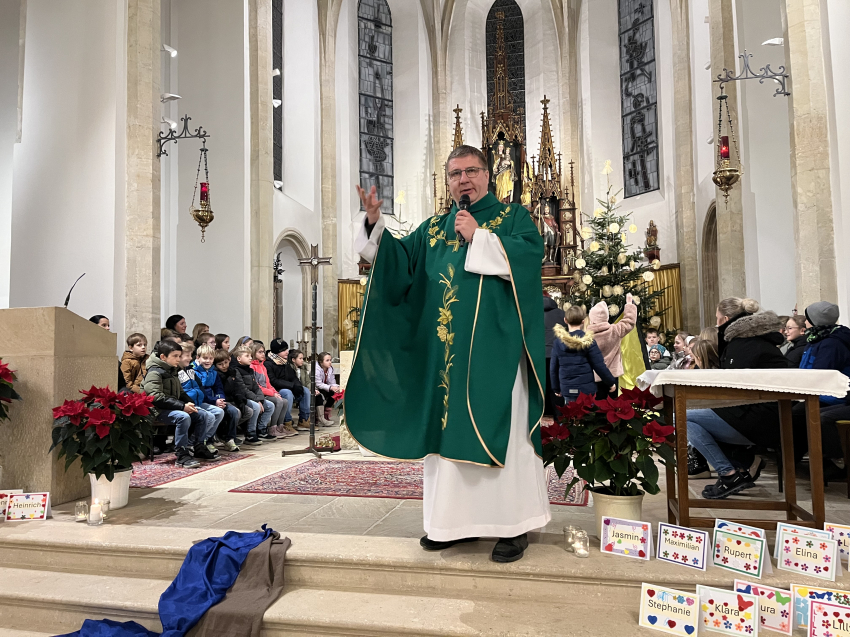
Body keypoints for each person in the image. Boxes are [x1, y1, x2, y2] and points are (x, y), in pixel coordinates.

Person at [347, 144, 550, 563]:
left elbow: (530, 257)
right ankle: (451, 525)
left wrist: (480, 237)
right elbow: (396, 264)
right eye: (455, 174)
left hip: (497, 355)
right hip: (444, 360)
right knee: (445, 440)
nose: (463, 180)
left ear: (488, 175)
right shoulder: (433, 229)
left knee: (505, 435)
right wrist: (373, 223)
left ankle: (513, 527)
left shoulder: (513, 218)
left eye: (471, 171)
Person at [687, 298, 788, 498]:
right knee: (696, 415)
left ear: (725, 319)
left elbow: (732, 389)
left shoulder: (744, 345)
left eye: (717, 319)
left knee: (681, 417)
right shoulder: (752, 341)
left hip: (760, 419)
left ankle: (728, 474)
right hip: (762, 414)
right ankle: (741, 465)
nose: (716, 325)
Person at [795, 301, 850, 481]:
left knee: (803, 413)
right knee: (795, 410)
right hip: (820, 391)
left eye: (807, 319)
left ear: (815, 320)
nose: (805, 322)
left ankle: (831, 460)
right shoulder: (819, 338)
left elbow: (822, 374)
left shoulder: (831, 343)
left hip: (834, 394)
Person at [141, 340, 204, 468]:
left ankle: (198, 447)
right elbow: (156, 398)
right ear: (163, 357)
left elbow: (181, 393)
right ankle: (181, 455)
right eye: (175, 356)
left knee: (200, 414)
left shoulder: (171, 370)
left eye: (179, 356)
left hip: (170, 407)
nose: (178, 359)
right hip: (156, 411)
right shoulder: (154, 372)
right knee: (183, 417)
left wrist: (190, 404)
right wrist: (182, 407)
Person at [550, 305, 615, 403]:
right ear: (583, 321)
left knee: (570, 412)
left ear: (565, 320)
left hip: (567, 388)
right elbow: (599, 366)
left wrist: (556, 388)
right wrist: (610, 382)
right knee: (587, 413)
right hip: (586, 390)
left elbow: (553, 368)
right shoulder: (589, 341)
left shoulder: (557, 343)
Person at [586, 295, 638, 398]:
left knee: (596, 404)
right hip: (613, 375)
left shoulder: (586, 336)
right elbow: (629, 321)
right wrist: (629, 305)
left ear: (592, 319)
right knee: (612, 404)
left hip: (593, 376)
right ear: (607, 317)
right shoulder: (615, 330)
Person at [193, 344, 241, 452]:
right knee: (217, 412)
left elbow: (218, 388)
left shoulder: (213, 372)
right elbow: (200, 391)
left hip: (213, 400)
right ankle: (208, 440)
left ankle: (229, 439)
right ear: (198, 358)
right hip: (202, 401)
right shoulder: (194, 372)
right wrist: (215, 401)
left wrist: (220, 399)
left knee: (233, 411)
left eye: (211, 358)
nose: (208, 361)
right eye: (205, 358)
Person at [176, 343, 219, 459]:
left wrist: (216, 399)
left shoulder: (190, 370)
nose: (190, 358)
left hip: (197, 402)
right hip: (186, 404)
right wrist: (188, 403)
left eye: (191, 355)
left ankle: (201, 443)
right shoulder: (177, 372)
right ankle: (193, 444)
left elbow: (199, 387)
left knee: (218, 412)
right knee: (207, 416)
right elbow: (181, 393)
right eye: (187, 355)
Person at [232, 345, 275, 442]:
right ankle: (250, 433)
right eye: (247, 356)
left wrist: (260, 399)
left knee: (270, 406)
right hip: (243, 398)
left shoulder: (250, 370)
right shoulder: (236, 371)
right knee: (255, 406)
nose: (250, 358)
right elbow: (243, 389)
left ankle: (261, 429)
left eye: (251, 356)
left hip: (253, 397)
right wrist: (256, 400)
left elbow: (256, 386)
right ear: (239, 358)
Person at [250, 342, 292, 438]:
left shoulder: (262, 366)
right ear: (253, 353)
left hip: (266, 393)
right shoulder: (252, 367)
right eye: (260, 352)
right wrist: (272, 394)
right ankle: (272, 428)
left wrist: (275, 392)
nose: (263, 354)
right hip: (259, 394)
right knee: (278, 401)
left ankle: (280, 426)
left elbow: (268, 383)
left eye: (263, 352)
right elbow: (256, 386)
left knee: (284, 401)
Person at [263, 339, 301, 436]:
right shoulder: (268, 363)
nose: (287, 352)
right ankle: (287, 422)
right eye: (283, 350)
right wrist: (292, 386)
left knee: (305, 390)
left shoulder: (285, 362)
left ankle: (304, 420)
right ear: (277, 351)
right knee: (287, 393)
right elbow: (273, 381)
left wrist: (297, 385)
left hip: (287, 386)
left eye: (287, 349)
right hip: (276, 389)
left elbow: (293, 377)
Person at [214, 349, 252, 445]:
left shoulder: (233, 371)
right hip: (224, 400)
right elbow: (223, 390)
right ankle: (228, 436)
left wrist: (240, 401)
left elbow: (238, 388)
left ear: (229, 360)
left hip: (233, 399)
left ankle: (229, 430)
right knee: (235, 412)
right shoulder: (217, 374)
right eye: (220, 364)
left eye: (226, 363)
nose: (224, 366)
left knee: (249, 411)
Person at [543, 295, 566, 415]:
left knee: (542, 383)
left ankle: (544, 411)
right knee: (557, 384)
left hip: (541, 355)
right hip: (558, 354)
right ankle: (559, 414)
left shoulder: (535, 315)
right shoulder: (562, 314)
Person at [287, 349, 312, 431]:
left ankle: (304, 420)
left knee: (307, 391)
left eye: (303, 358)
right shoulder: (289, 369)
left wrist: (311, 389)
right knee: (304, 391)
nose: (302, 360)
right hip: (293, 391)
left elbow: (308, 382)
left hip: (302, 391)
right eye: (300, 358)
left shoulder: (303, 370)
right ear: (293, 360)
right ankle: (287, 421)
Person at [314, 352, 341, 427]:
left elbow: (332, 382)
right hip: (316, 388)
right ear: (321, 362)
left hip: (325, 387)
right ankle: (319, 416)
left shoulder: (330, 368)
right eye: (327, 360)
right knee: (320, 395)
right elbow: (318, 384)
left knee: (335, 393)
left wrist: (338, 387)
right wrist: (331, 387)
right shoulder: (316, 369)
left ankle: (326, 413)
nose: (330, 362)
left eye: (330, 360)